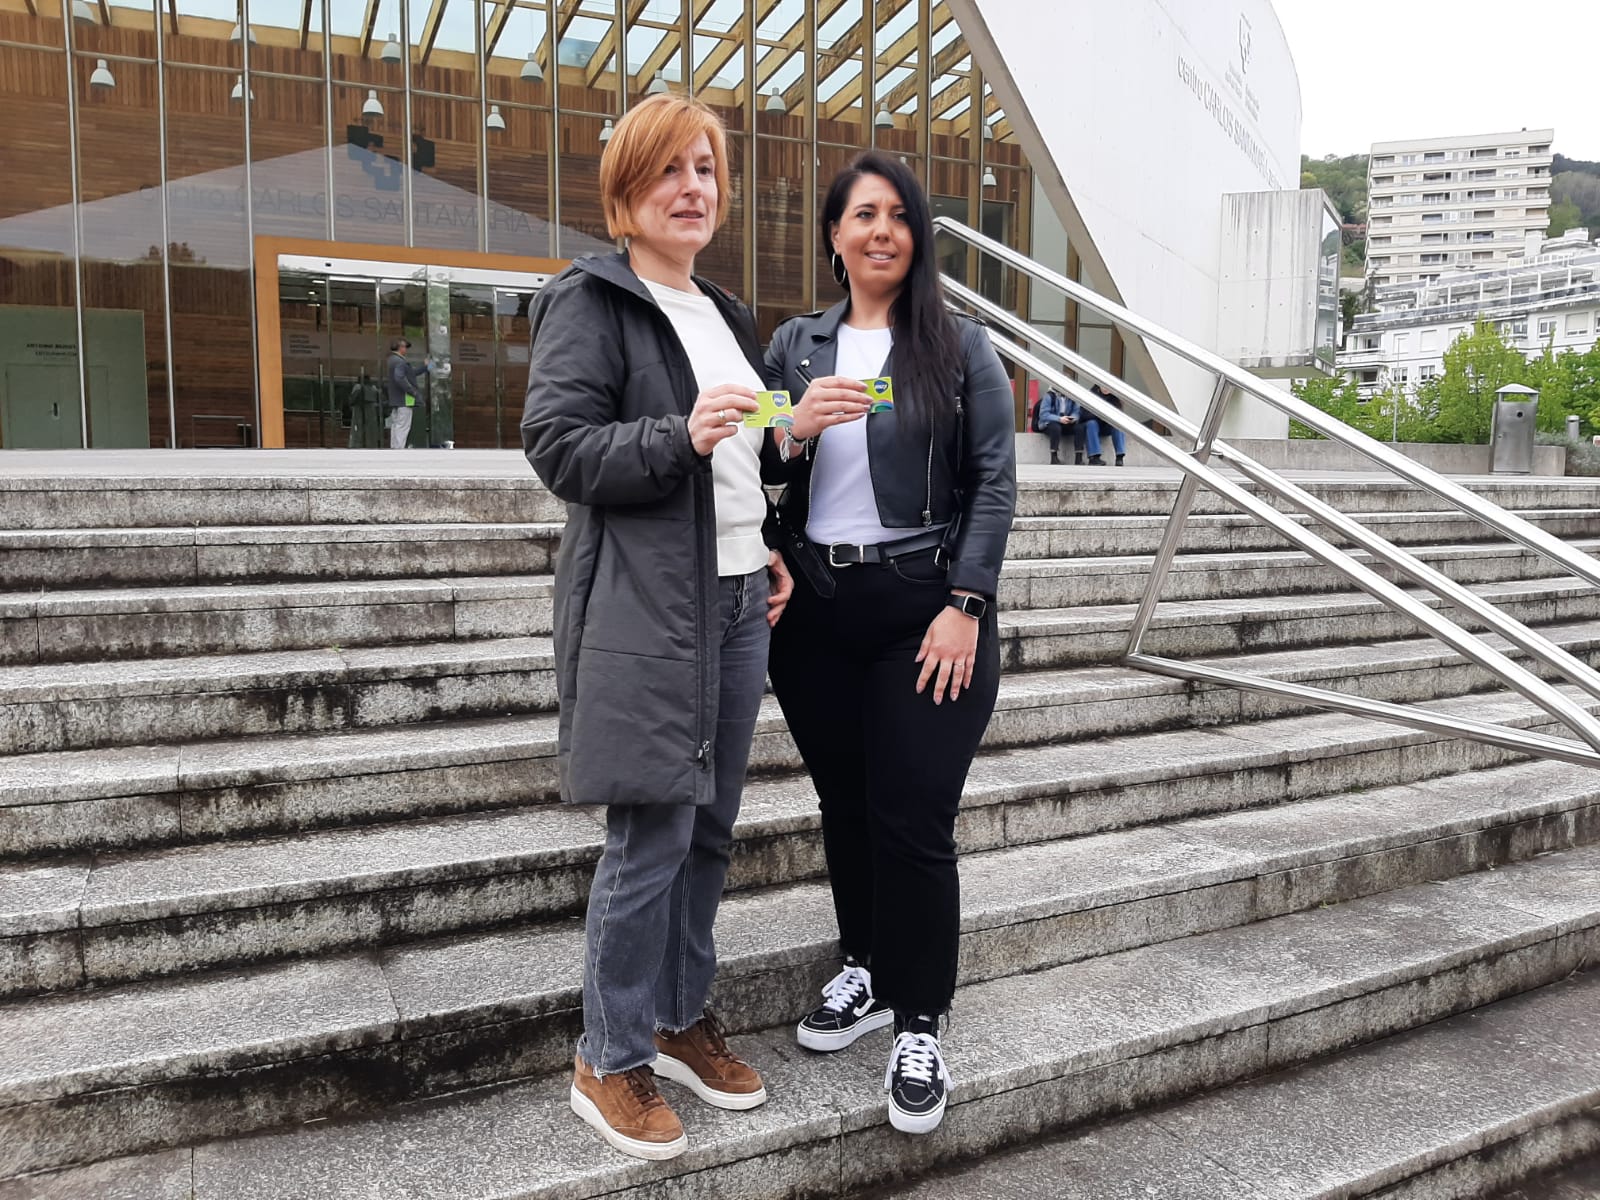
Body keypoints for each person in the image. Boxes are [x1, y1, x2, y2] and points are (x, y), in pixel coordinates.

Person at [520, 93, 794, 1163]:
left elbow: (736, 449)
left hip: (734, 596)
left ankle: (678, 1019)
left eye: (706, 171)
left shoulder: (723, 314)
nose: (693, 189)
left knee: (713, 826)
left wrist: (784, 448)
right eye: (668, 172)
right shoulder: (591, 303)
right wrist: (674, 434)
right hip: (644, 604)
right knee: (652, 836)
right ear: (625, 196)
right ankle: (607, 1053)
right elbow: (558, 448)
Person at [762, 152, 1017, 1136]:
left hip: (924, 606)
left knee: (911, 815)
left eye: (897, 216)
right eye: (860, 214)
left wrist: (968, 599)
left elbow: (993, 481)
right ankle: (863, 965)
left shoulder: (959, 348)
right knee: (846, 801)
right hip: (816, 604)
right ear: (833, 236)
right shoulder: (794, 345)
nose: (880, 230)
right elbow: (744, 458)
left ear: (916, 237)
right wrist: (787, 426)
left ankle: (919, 1018)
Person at [383, 337, 429, 449]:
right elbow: (400, 378)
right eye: (404, 347)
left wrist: (425, 367)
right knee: (403, 425)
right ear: (400, 347)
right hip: (404, 399)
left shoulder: (391, 360)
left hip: (395, 399)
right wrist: (412, 391)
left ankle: (394, 448)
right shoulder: (400, 361)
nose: (406, 350)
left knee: (396, 424)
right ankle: (399, 449)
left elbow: (411, 373)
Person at [1079, 383, 1127, 466]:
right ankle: (1094, 457)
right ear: (1099, 386)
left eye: (1108, 387)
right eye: (1103, 386)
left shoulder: (1115, 399)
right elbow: (1083, 414)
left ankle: (1120, 457)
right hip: (1094, 425)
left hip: (1108, 426)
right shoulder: (1091, 396)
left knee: (1118, 425)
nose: (1106, 389)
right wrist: (1098, 415)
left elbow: (1119, 415)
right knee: (1091, 423)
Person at [1037, 386, 1077, 465]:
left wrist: (1073, 418)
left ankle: (1079, 458)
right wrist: (1059, 419)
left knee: (1080, 427)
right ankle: (1054, 457)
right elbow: (1043, 415)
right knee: (1055, 427)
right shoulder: (1049, 396)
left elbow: (1076, 411)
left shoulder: (1072, 397)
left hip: (1066, 422)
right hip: (1048, 423)